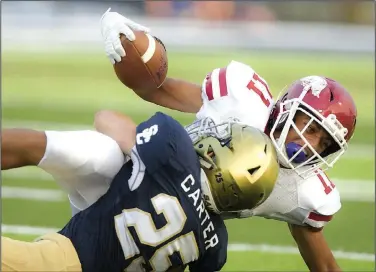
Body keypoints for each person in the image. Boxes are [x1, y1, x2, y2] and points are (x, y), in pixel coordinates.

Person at [100, 9, 358, 272]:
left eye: (324, 144)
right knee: (98, 152)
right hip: (132, 179)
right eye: (311, 127)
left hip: (168, 236)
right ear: (288, 108)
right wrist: (125, 43)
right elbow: (156, 90)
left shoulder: (305, 191)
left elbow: (324, 265)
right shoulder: (241, 100)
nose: (311, 144)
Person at [1, 111, 279, 272]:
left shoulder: (175, 150)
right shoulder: (215, 247)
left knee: (103, 149)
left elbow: (105, 118)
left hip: (64, 262)